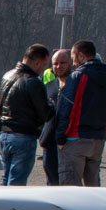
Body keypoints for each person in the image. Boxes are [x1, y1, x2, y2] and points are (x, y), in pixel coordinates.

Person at [55, 39, 106, 186]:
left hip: (76, 138)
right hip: (98, 139)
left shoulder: (78, 75)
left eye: (73, 56)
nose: (73, 61)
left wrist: (60, 137)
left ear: (81, 56)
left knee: (70, 188)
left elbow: (67, 107)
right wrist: (105, 132)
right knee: (93, 187)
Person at [0, 43, 52, 186]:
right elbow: (45, 114)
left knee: (5, 178)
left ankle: (0, 207)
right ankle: (11, 208)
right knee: (17, 183)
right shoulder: (33, 82)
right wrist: (52, 105)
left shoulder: (7, 75)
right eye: (43, 65)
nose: (42, 69)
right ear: (37, 62)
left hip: (3, 134)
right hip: (23, 136)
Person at [39, 49, 73, 185]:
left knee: (69, 185)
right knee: (51, 183)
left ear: (71, 62)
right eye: (55, 63)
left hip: (70, 144)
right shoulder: (48, 86)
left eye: (63, 63)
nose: (59, 66)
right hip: (49, 144)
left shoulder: (76, 86)